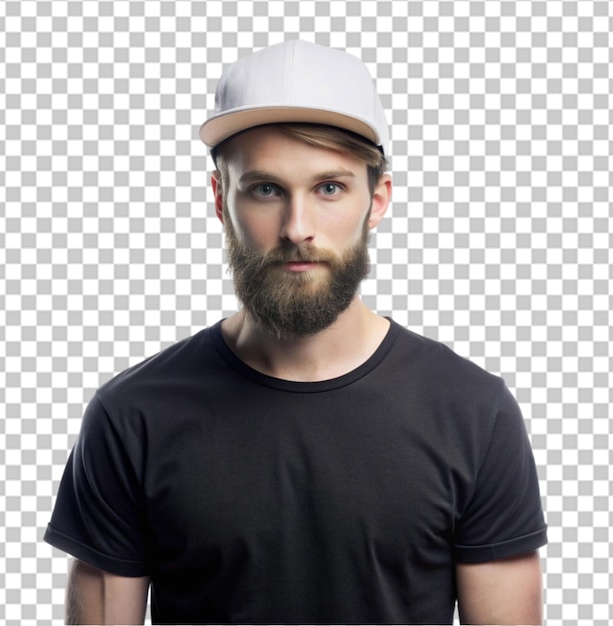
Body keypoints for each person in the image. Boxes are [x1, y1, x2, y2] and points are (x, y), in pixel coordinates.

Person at [44, 39, 547, 625]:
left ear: (377, 200)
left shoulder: (473, 413)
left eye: (329, 188)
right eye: (265, 189)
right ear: (219, 200)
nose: (297, 228)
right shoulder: (131, 416)